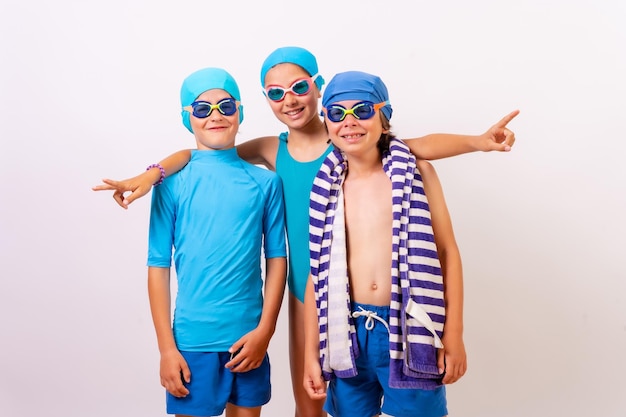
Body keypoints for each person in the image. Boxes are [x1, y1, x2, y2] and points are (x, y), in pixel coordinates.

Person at [93, 47, 517, 417]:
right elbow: (204, 153)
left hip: (360, 295)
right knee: (309, 402)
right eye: (275, 93)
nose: (289, 99)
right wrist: (152, 174)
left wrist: (478, 142)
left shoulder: (347, 140)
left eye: (298, 87)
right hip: (307, 291)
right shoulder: (269, 149)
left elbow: (418, 144)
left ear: (317, 86)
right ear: (263, 101)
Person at [303, 70, 465, 417]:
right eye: (336, 113)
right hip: (345, 334)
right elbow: (316, 277)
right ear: (327, 122)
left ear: (383, 116)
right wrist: (309, 355)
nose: (349, 122)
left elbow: (447, 252)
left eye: (361, 110)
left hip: (410, 326)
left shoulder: (415, 174)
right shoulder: (327, 188)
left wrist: (453, 334)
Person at [147, 67, 286, 417]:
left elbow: (277, 260)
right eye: (202, 108)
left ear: (240, 111)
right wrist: (167, 348)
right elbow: (158, 266)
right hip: (192, 341)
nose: (215, 116)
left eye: (225, 106)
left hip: (247, 337)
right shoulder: (172, 183)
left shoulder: (265, 183)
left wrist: (265, 331)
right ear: (187, 117)